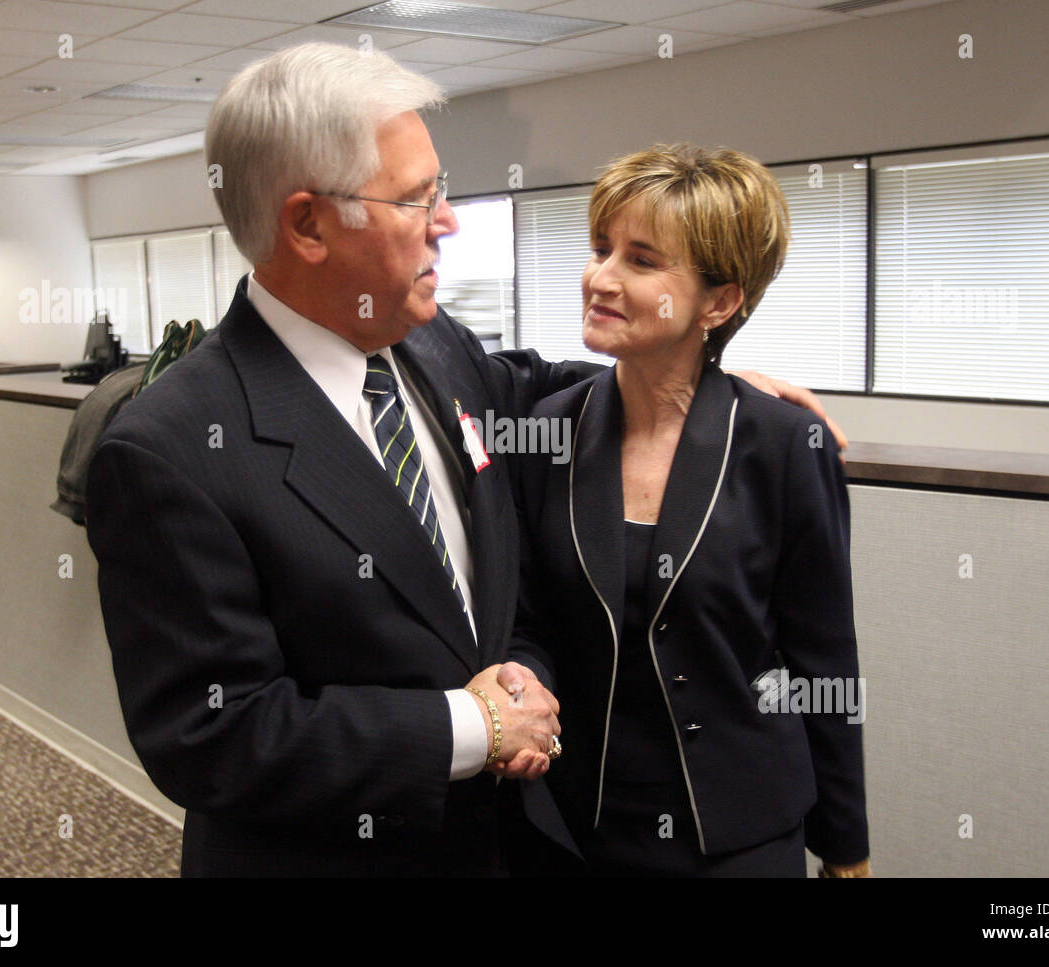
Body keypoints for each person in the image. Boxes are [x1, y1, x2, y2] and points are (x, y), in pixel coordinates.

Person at [85, 44, 842, 877]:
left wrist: (698, 382)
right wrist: (473, 728)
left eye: (439, 189)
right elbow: (213, 736)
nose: (448, 221)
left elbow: (536, 386)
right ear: (307, 224)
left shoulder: (429, 342)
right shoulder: (170, 448)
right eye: (415, 199)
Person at [506, 144, 871, 876]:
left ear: (720, 301)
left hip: (737, 832)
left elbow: (822, 658)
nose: (600, 278)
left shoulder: (783, 445)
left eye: (641, 261)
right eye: (600, 249)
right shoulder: (548, 429)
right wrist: (520, 685)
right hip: (576, 827)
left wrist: (846, 847)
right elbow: (530, 618)